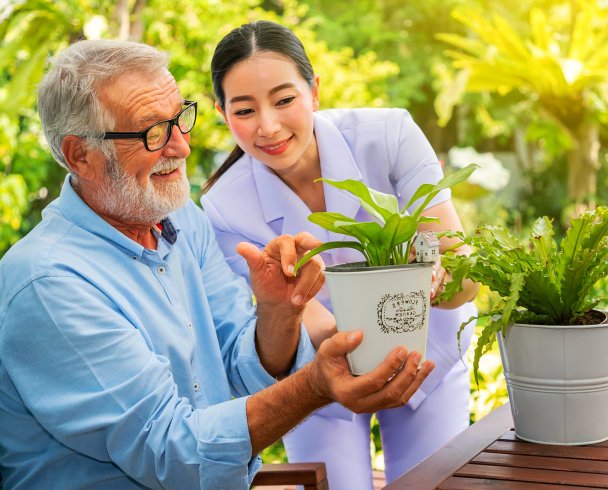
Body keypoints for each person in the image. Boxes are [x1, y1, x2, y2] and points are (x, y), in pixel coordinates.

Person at [0, 39, 435, 489]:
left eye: (179, 119)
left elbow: (239, 369)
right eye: (153, 132)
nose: (182, 147)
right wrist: (315, 385)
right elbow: (175, 455)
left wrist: (278, 315)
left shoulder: (182, 220)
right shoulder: (49, 283)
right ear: (80, 156)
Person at [201, 20, 479, 489]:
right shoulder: (224, 207)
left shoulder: (389, 135)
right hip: (322, 373)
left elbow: (464, 278)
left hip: (429, 353)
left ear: (314, 91)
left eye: (284, 100)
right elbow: (305, 322)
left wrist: (434, 276)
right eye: (245, 110)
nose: (268, 127)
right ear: (222, 113)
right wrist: (344, 356)